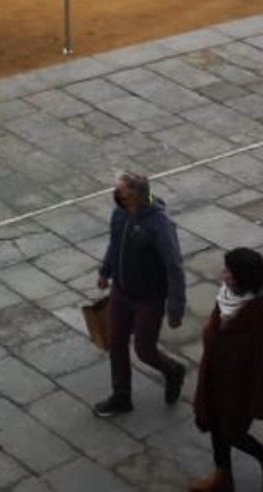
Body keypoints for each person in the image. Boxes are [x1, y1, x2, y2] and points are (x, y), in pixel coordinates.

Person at [95, 171, 188, 417]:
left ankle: (172, 370)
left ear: (135, 196)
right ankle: (121, 395)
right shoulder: (119, 214)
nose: (116, 195)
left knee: (144, 350)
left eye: (120, 191)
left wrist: (175, 307)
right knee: (116, 343)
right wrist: (105, 271)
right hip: (121, 292)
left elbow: (174, 266)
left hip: (149, 298)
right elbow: (114, 245)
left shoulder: (159, 225)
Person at [191, 248, 263, 492]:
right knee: (213, 423)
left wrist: (255, 401)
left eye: (230, 273)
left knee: (232, 432)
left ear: (245, 278)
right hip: (214, 374)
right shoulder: (227, 297)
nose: (224, 276)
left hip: (238, 387)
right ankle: (223, 476)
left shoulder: (261, 315)